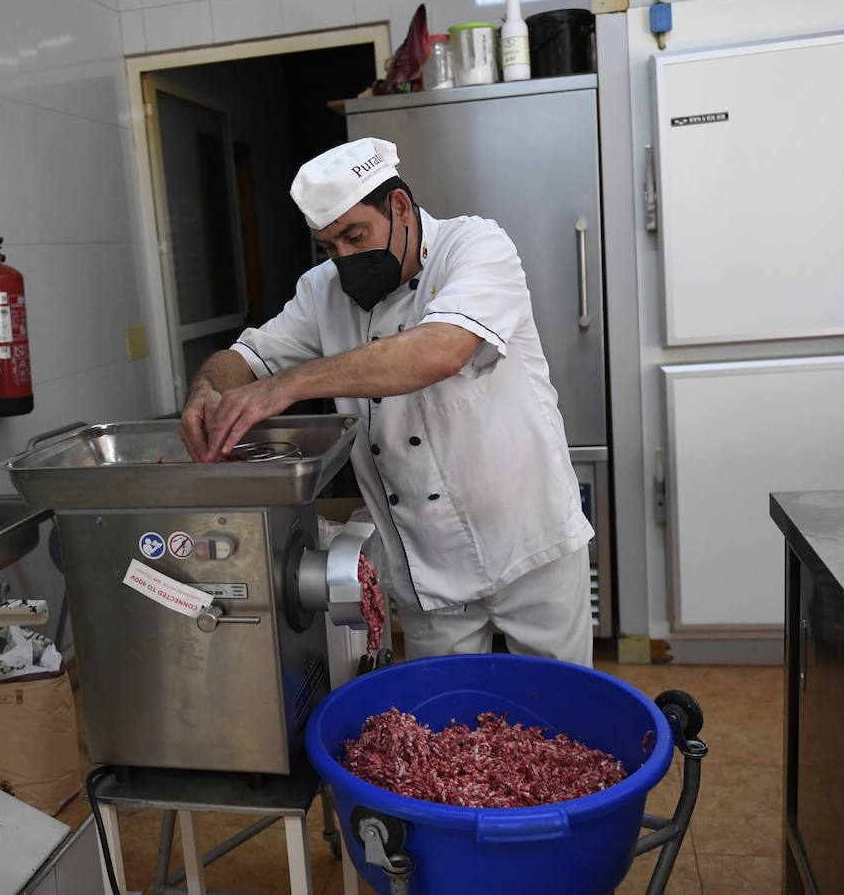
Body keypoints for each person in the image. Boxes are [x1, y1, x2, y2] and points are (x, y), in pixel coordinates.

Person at [178, 138, 594, 666]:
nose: (344, 260)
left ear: (398, 207)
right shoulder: (323, 292)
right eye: (329, 247)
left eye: (355, 236)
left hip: (529, 545)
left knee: (562, 717)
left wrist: (288, 385)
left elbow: (440, 350)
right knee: (441, 729)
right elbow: (246, 356)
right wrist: (207, 389)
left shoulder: (474, 247)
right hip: (426, 563)